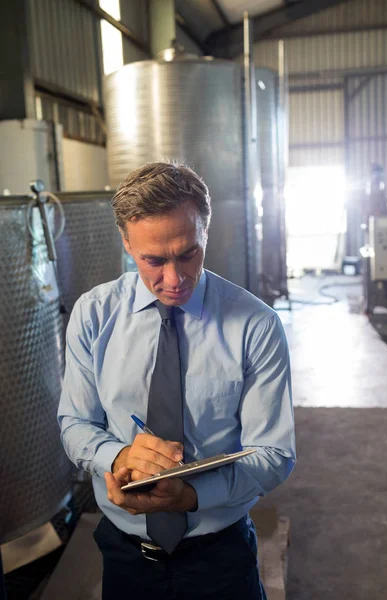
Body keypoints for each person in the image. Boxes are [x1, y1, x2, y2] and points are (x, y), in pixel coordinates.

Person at [58, 161, 296, 600]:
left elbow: (275, 454)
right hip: (126, 556)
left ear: (205, 232)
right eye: (153, 260)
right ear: (127, 243)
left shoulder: (255, 326)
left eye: (189, 253)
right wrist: (119, 456)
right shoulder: (94, 316)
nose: (174, 279)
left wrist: (188, 495)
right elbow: (74, 423)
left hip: (220, 559)